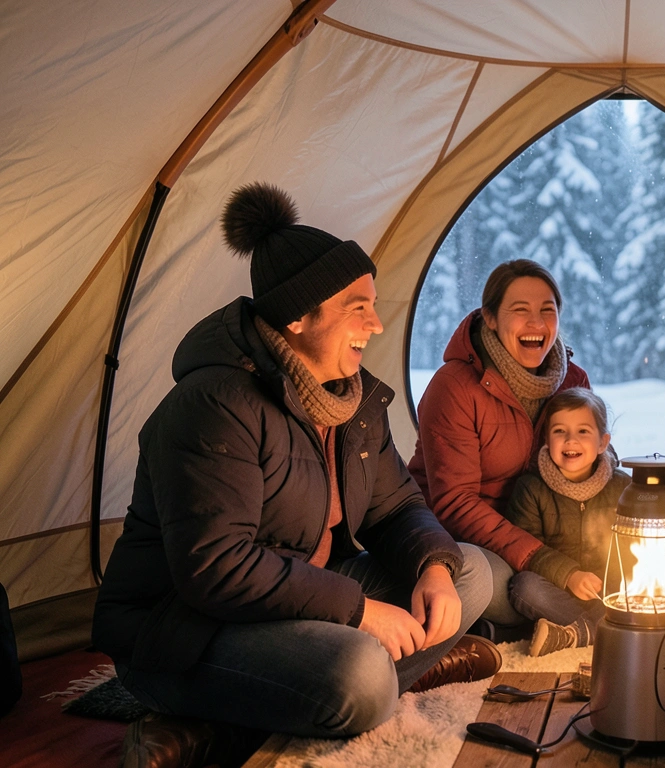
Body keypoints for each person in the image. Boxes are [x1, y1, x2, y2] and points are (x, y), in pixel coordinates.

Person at [93, 183, 497, 765]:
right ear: (300, 318)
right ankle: (193, 725)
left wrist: (432, 565)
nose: (376, 326)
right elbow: (217, 569)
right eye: (358, 309)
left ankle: (343, 685)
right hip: (185, 630)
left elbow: (397, 507)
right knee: (358, 676)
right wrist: (360, 613)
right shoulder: (215, 403)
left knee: (468, 572)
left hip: (303, 600)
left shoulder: (351, 401)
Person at [408, 260, 589, 637]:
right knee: (509, 588)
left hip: (544, 532)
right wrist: (540, 558)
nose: (537, 325)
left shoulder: (573, 381)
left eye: (547, 311)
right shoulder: (455, 387)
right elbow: (455, 504)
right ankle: (586, 627)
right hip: (466, 540)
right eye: (520, 311)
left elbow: (590, 462)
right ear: (489, 317)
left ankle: (512, 628)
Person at [502, 388, 631, 657]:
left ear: (602, 442)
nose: (571, 440)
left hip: (608, 591)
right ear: (547, 440)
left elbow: (632, 550)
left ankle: (577, 633)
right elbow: (528, 551)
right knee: (524, 587)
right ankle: (602, 630)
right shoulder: (531, 488)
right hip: (557, 590)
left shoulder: (622, 487)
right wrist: (569, 576)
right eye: (560, 431)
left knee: (639, 587)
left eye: (583, 431)